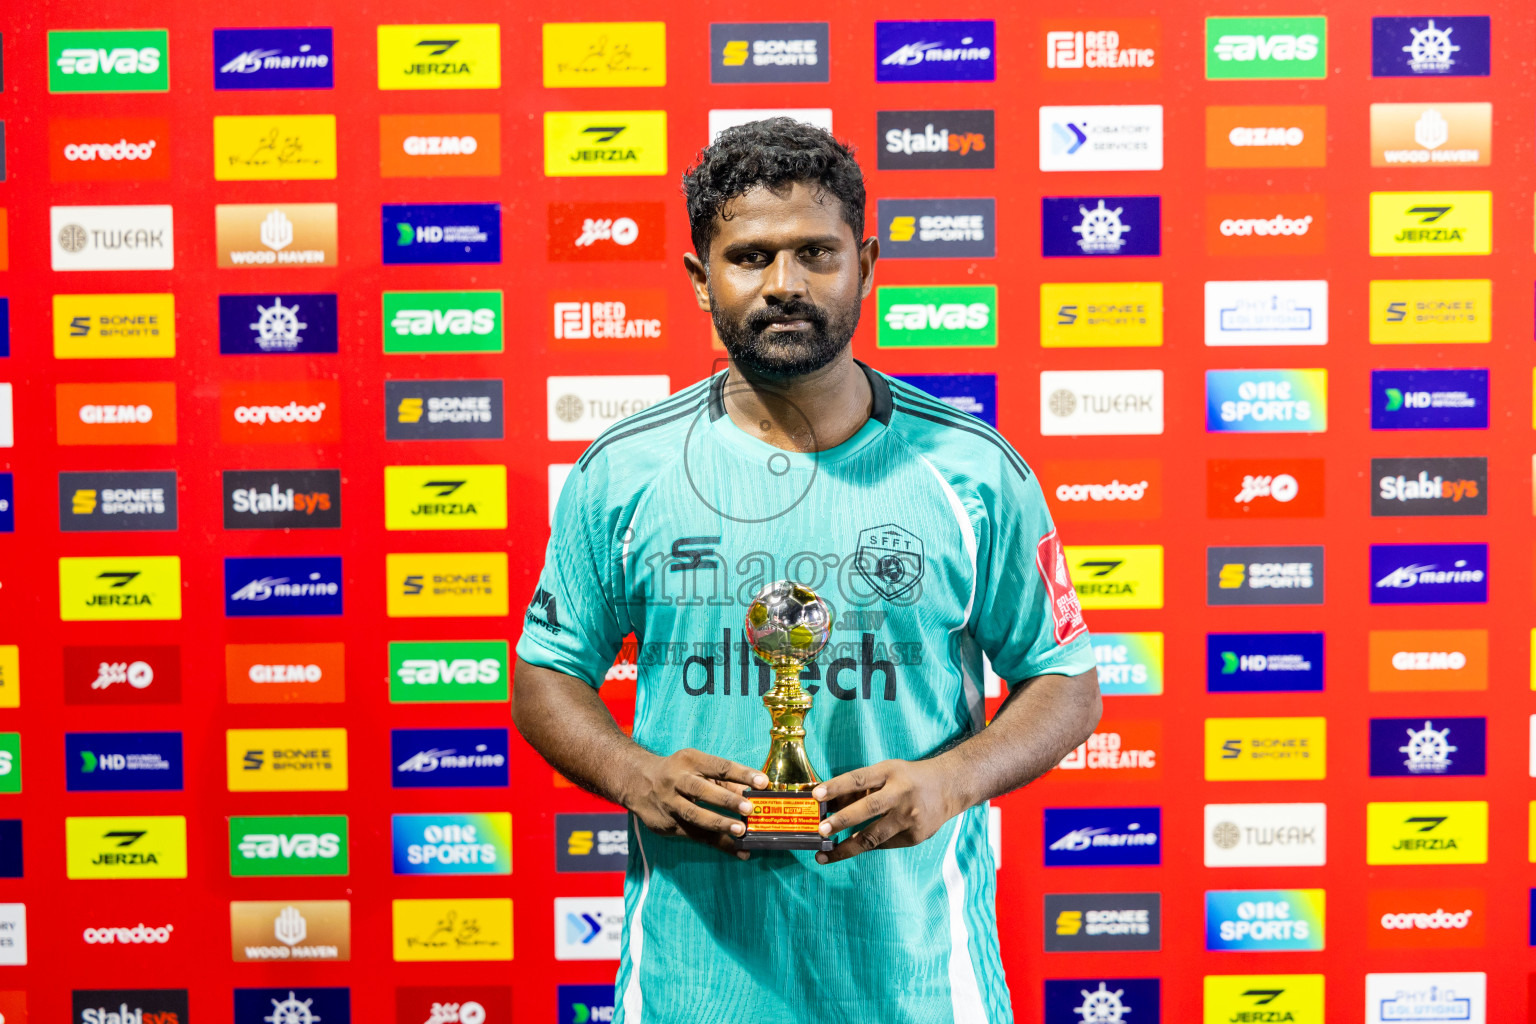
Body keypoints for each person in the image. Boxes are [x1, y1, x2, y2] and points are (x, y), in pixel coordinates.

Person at [512, 117, 1101, 1024]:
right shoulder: (622, 471)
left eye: (815, 253)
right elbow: (548, 671)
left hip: (918, 985)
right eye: (750, 256)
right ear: (699, 276)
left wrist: (950, 781)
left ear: (865, 261)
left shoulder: (976, 471)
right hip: (689, 988)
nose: (784, 285)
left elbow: (1065, 684)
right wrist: (636, 774)